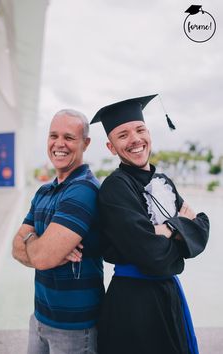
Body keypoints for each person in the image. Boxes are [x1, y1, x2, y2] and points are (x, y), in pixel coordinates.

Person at [90, 95, 209, 354]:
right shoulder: (115, 188)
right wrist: (178, 229)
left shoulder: (164, 181)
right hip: (133, 304)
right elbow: (152, 256)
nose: (135, 139)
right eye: (122, 135)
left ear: (149, 134)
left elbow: (201, 228)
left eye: (140, 130)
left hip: (169, 295)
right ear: (111, 147)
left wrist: (165, 230)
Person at [12, 109, 104, 354]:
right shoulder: (44, 191)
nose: (59, 144)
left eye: (69, 137)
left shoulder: (84, 190)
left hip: (75, 327)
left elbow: (42, 258)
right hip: (40, 317)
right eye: (53, 136)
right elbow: (16, 248)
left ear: (86, 143)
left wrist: (32, 241)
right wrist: (39, 243)